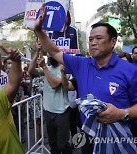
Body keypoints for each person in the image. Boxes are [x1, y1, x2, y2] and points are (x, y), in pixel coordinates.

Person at [34, 4, 137, 153]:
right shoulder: (81, 64)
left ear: (113, 41)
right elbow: (54, 51)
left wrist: (121, 114)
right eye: (90, 39)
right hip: (88, 137)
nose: (93, 42)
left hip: (118, 140)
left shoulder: (130, 70)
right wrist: (38, 30)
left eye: (99, 38)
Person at [28, 40, 72, 154]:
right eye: (47, 54)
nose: (48, 56)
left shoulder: (63, 69)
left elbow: (54, 84)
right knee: (53, 146)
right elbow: (31, 70)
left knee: (63, 145)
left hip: (61, 113)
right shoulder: (48, 68)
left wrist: (44, 67)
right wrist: (37, 51)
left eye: (50, 54)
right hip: (48, 111)